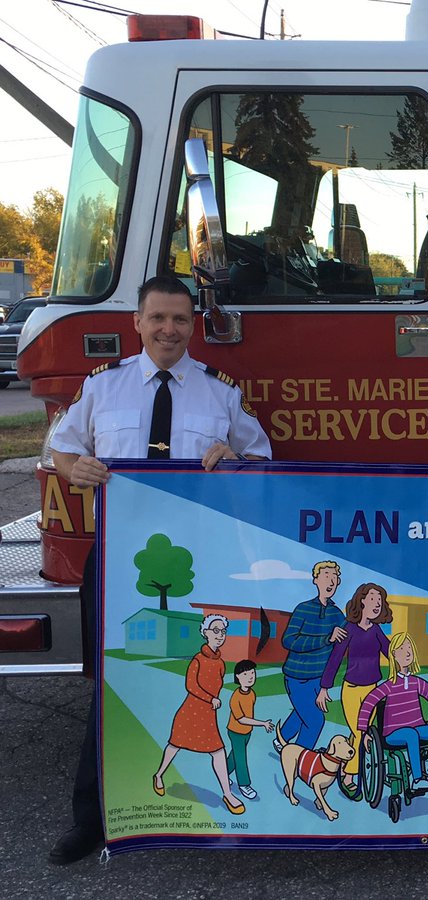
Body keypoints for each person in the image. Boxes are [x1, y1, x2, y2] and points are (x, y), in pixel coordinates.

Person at [47, 275, 271, 865]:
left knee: (195, 685)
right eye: (157, 318)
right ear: (137, 323)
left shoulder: (220, 393)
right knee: (111, 684)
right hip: (118, 556)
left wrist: (235, 459)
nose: (168, 330)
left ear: (192, 326)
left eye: (179, 319)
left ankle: (211, 812)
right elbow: (61, 448)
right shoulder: (103, 386)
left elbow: (263, 458)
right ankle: (91, 820)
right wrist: (74, 469)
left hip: (201, 559)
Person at [152, 615, 247, 815]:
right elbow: (191, 685)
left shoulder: (220, 663)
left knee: (218, 751)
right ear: (205, 633)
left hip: (208, 715)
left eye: (223, 631)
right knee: (174, 745)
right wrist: (210, 698)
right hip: (190, 712)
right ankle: (159, 775)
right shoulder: (197, 659)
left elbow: (217, 685)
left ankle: (227, 794)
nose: (220, 635)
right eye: (215, 630)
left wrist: (213, 701)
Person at [317, 581, 393, 797]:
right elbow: (335, 658)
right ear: (362, 601)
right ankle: (349, 777)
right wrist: (324, 688)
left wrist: (403, 664)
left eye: (380, 601)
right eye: (373, 599)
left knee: (361, 733)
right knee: (361, 733)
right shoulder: (349, 629)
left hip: (372, 690)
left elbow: (389, 651)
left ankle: (346, 768)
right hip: (351, 690)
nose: (377, 604)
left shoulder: (376, 630)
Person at [357, 633, 428, 791]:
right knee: (411, 734)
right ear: (394, 654)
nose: (407, 652)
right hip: (393, 734)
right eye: (402, 649)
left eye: (409, 648)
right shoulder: (389, 686)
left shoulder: (417, 683)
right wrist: (364, 731)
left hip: (416, 727)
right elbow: (368, 703)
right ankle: (417, 779)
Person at [278, 561, 348, 752]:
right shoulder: (303, 609)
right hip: (297, 677)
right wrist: (326, 639)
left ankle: (281, 739)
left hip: (319, 678)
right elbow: (289, 640)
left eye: (334, 577)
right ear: (316, 580)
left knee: (304, 713)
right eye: (326, 576)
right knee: (315, 720)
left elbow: (345, 642)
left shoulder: (337, 614)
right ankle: (299, 758)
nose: (331, 581)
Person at [225, 659, 275, 801]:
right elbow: (241, 719)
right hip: (235, 732)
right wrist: (262, 723)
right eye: (246, 674)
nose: (251, 677)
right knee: (241, 758)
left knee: (235, 755)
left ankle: (223, 772)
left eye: (252, 673)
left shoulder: (252, 693)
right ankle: (244, 785)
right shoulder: (235, 697)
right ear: (238, 677)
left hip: (247, 732)